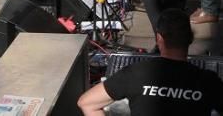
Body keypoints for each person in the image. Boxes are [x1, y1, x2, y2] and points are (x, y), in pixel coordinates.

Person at [77, 8, 223, 116]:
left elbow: (86, 103)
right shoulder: (208, 81)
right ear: (190, 39)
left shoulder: (137, 72)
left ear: (159, 38)